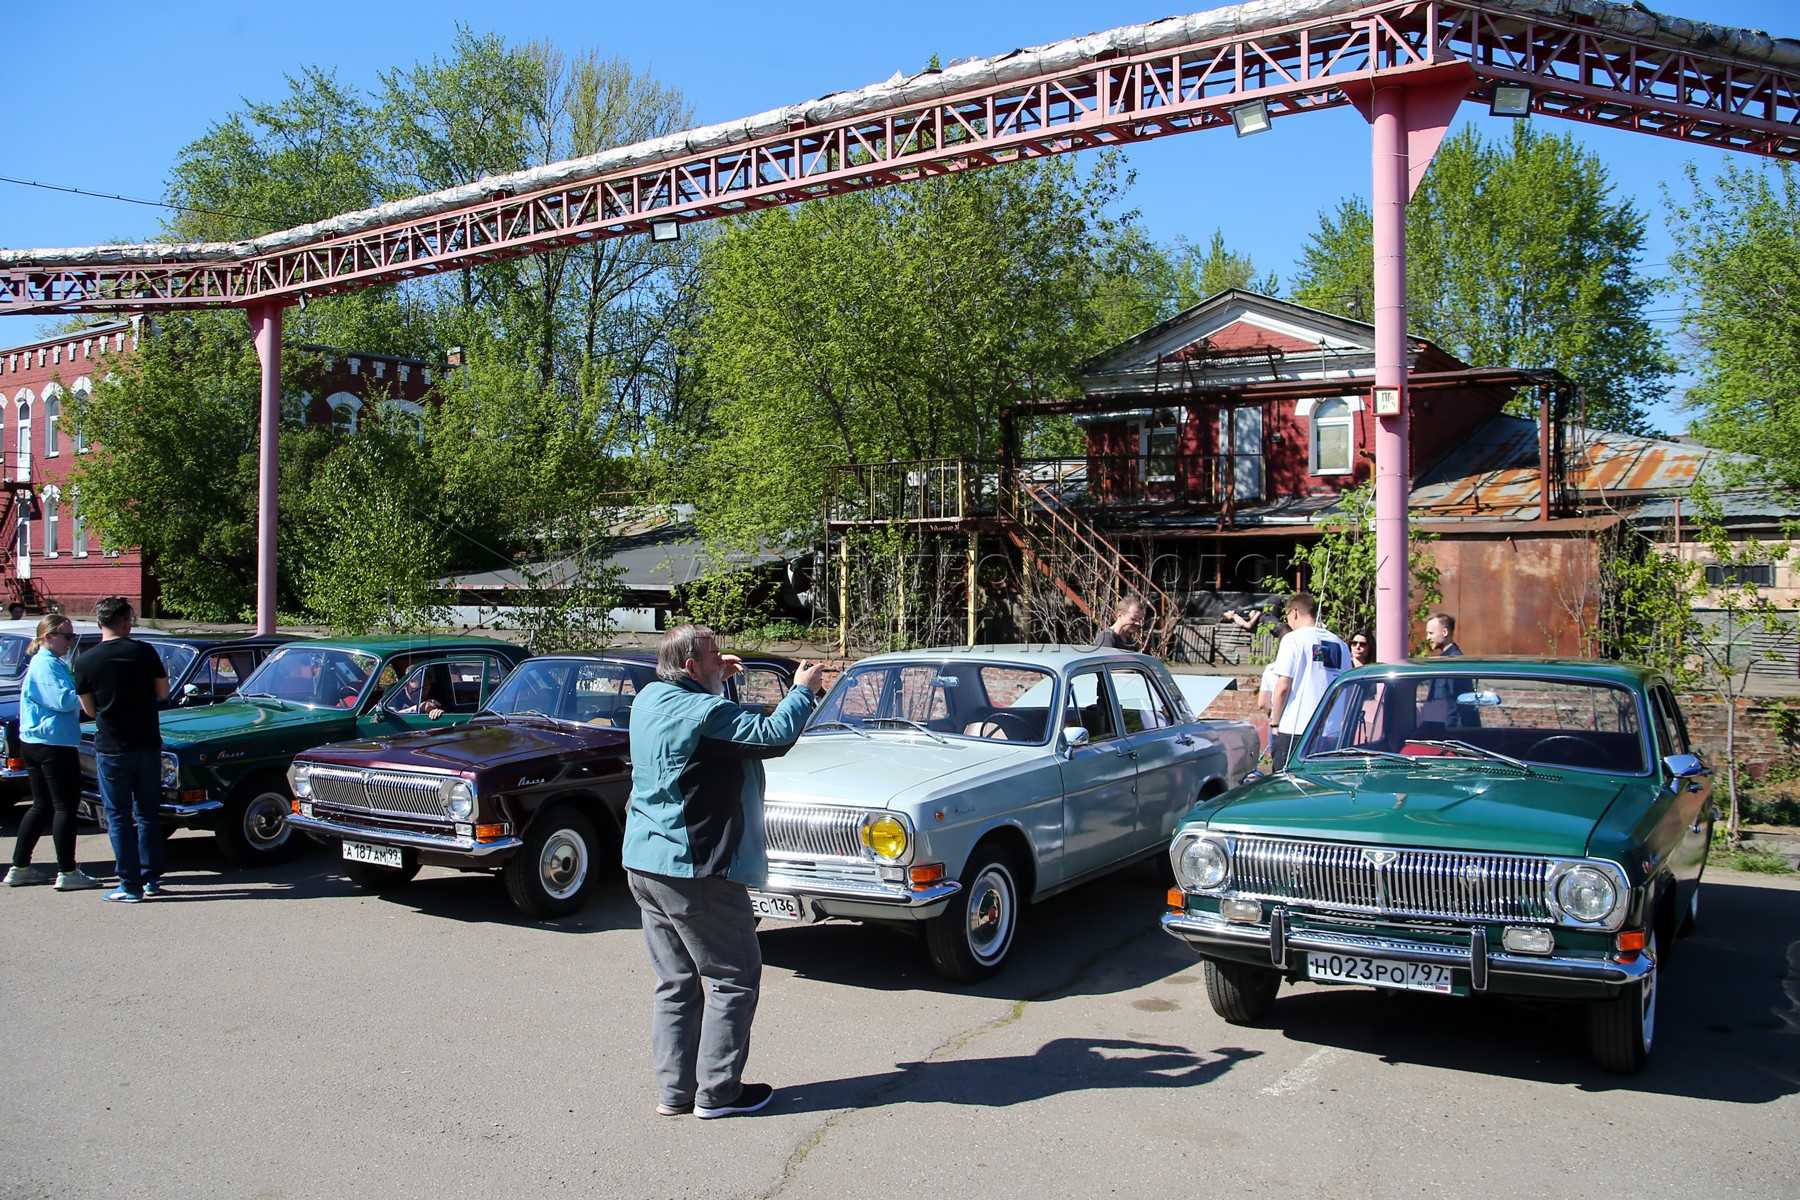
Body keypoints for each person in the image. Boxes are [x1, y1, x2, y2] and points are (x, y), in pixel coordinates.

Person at [621, 625, 826, 1120]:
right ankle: (719, 1091)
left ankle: (676, 1093)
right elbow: (772, 737)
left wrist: (721, 680)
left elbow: (709, 737)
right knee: (734, 975)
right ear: (690, 666)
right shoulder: (705, 711)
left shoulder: (649, 697)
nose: (724, 658)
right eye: (714, 654)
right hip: (696, 870)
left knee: (676, 981)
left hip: (645, 862)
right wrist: (804, 690)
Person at [72, 597, 169, 903]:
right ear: (127, 621)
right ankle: (150, 876)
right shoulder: (145, 651)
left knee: (118, 817)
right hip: (148, 743)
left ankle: (129, 884)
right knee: (149, 814)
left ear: (100, 623)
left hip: (112, 746)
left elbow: (87, 710)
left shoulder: (86, 660)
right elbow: (163, 692)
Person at [4, 617, 103, 890]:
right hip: (52, 745)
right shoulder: (45, 664)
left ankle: (20, 866)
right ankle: (67, 871)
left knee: (43, 805)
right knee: (64, 807)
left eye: (71, 636)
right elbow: (62, 700)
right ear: (48, 636)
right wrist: (90, 692)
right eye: (66, 636)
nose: (70, 642)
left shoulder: (48, 662)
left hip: (40, 742)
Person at [1267, 593, 1349, 772]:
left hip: (1297, 728)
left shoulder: (1293, 639)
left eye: (1287, 616)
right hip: (1332, 731)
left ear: (1294, 612)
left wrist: (1275, 723)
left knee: (1288, 783)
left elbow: (1282, 686)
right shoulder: (1341, 644)